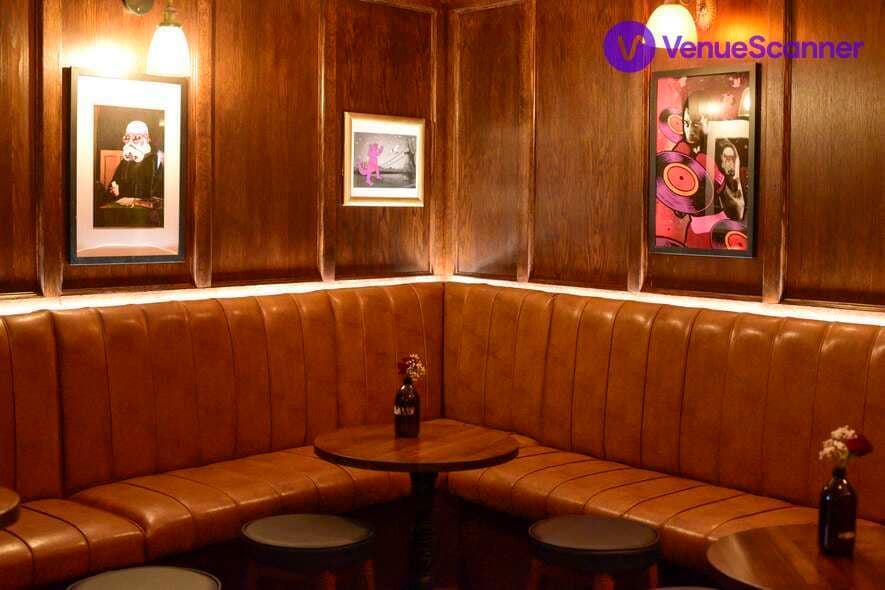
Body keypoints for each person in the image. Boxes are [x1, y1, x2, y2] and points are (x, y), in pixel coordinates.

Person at [106, 120, 163, 207]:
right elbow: (112, 186)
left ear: (146, 139)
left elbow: (155, 194)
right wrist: (114, 191)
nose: (131, 142)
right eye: (127, 138)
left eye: (136, 138)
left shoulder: (153, 161)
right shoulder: (125, 162)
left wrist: (124, 195)